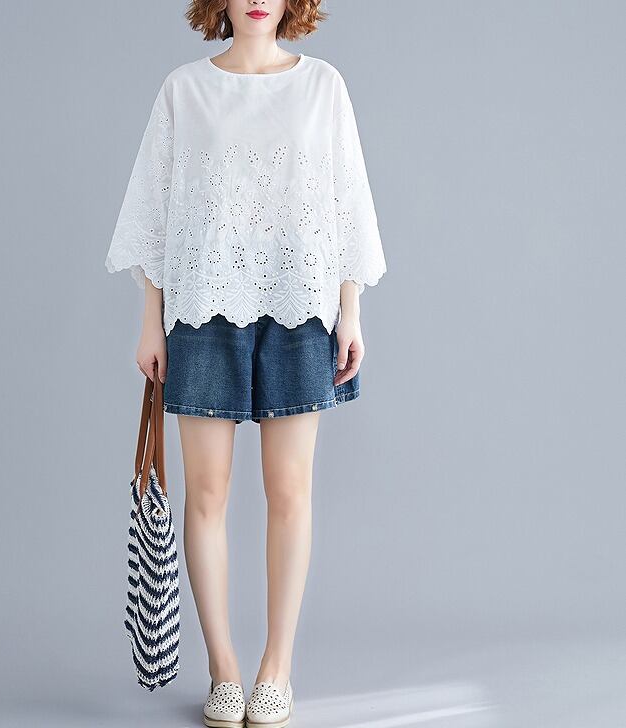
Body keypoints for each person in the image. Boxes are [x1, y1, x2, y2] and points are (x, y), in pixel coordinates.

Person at [105, 1, 386, 726]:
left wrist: (350, 312)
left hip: (301, 307)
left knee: (290, 492)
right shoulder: (183, 90)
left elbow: (346, 203)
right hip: (201, 309)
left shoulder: (323, 85)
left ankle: (276, 669)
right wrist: (150, 323)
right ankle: (223, 671)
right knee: (206, 494)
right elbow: (154, 213)